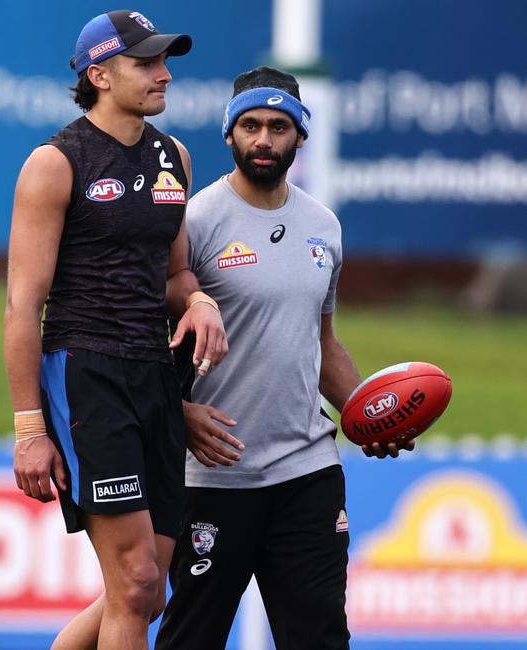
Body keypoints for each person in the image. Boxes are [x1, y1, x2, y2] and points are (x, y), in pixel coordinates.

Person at [155, 66, 415, 650]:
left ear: (301, 136)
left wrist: (368, 414)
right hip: (213, 476)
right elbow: (147, 337)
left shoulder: (323, 225)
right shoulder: (194, 220)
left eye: (278, 126)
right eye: (250, 125)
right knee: (190, 638)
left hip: (307, 471)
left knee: (320, 638)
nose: (264, 139)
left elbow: (321, 341)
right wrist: (177, 411)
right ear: (229, 134)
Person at [3, 10, 228, 650]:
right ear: (99, 75)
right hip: (87, 373)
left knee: (150, 588)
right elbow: (23, 305)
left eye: (165, 61)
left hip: (156, 376)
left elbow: (175, 273)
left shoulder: (173, 156)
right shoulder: (55, 162)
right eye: (148, 63)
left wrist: (200, 300)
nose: (165, 75)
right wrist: (28, 430)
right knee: (132, 581)